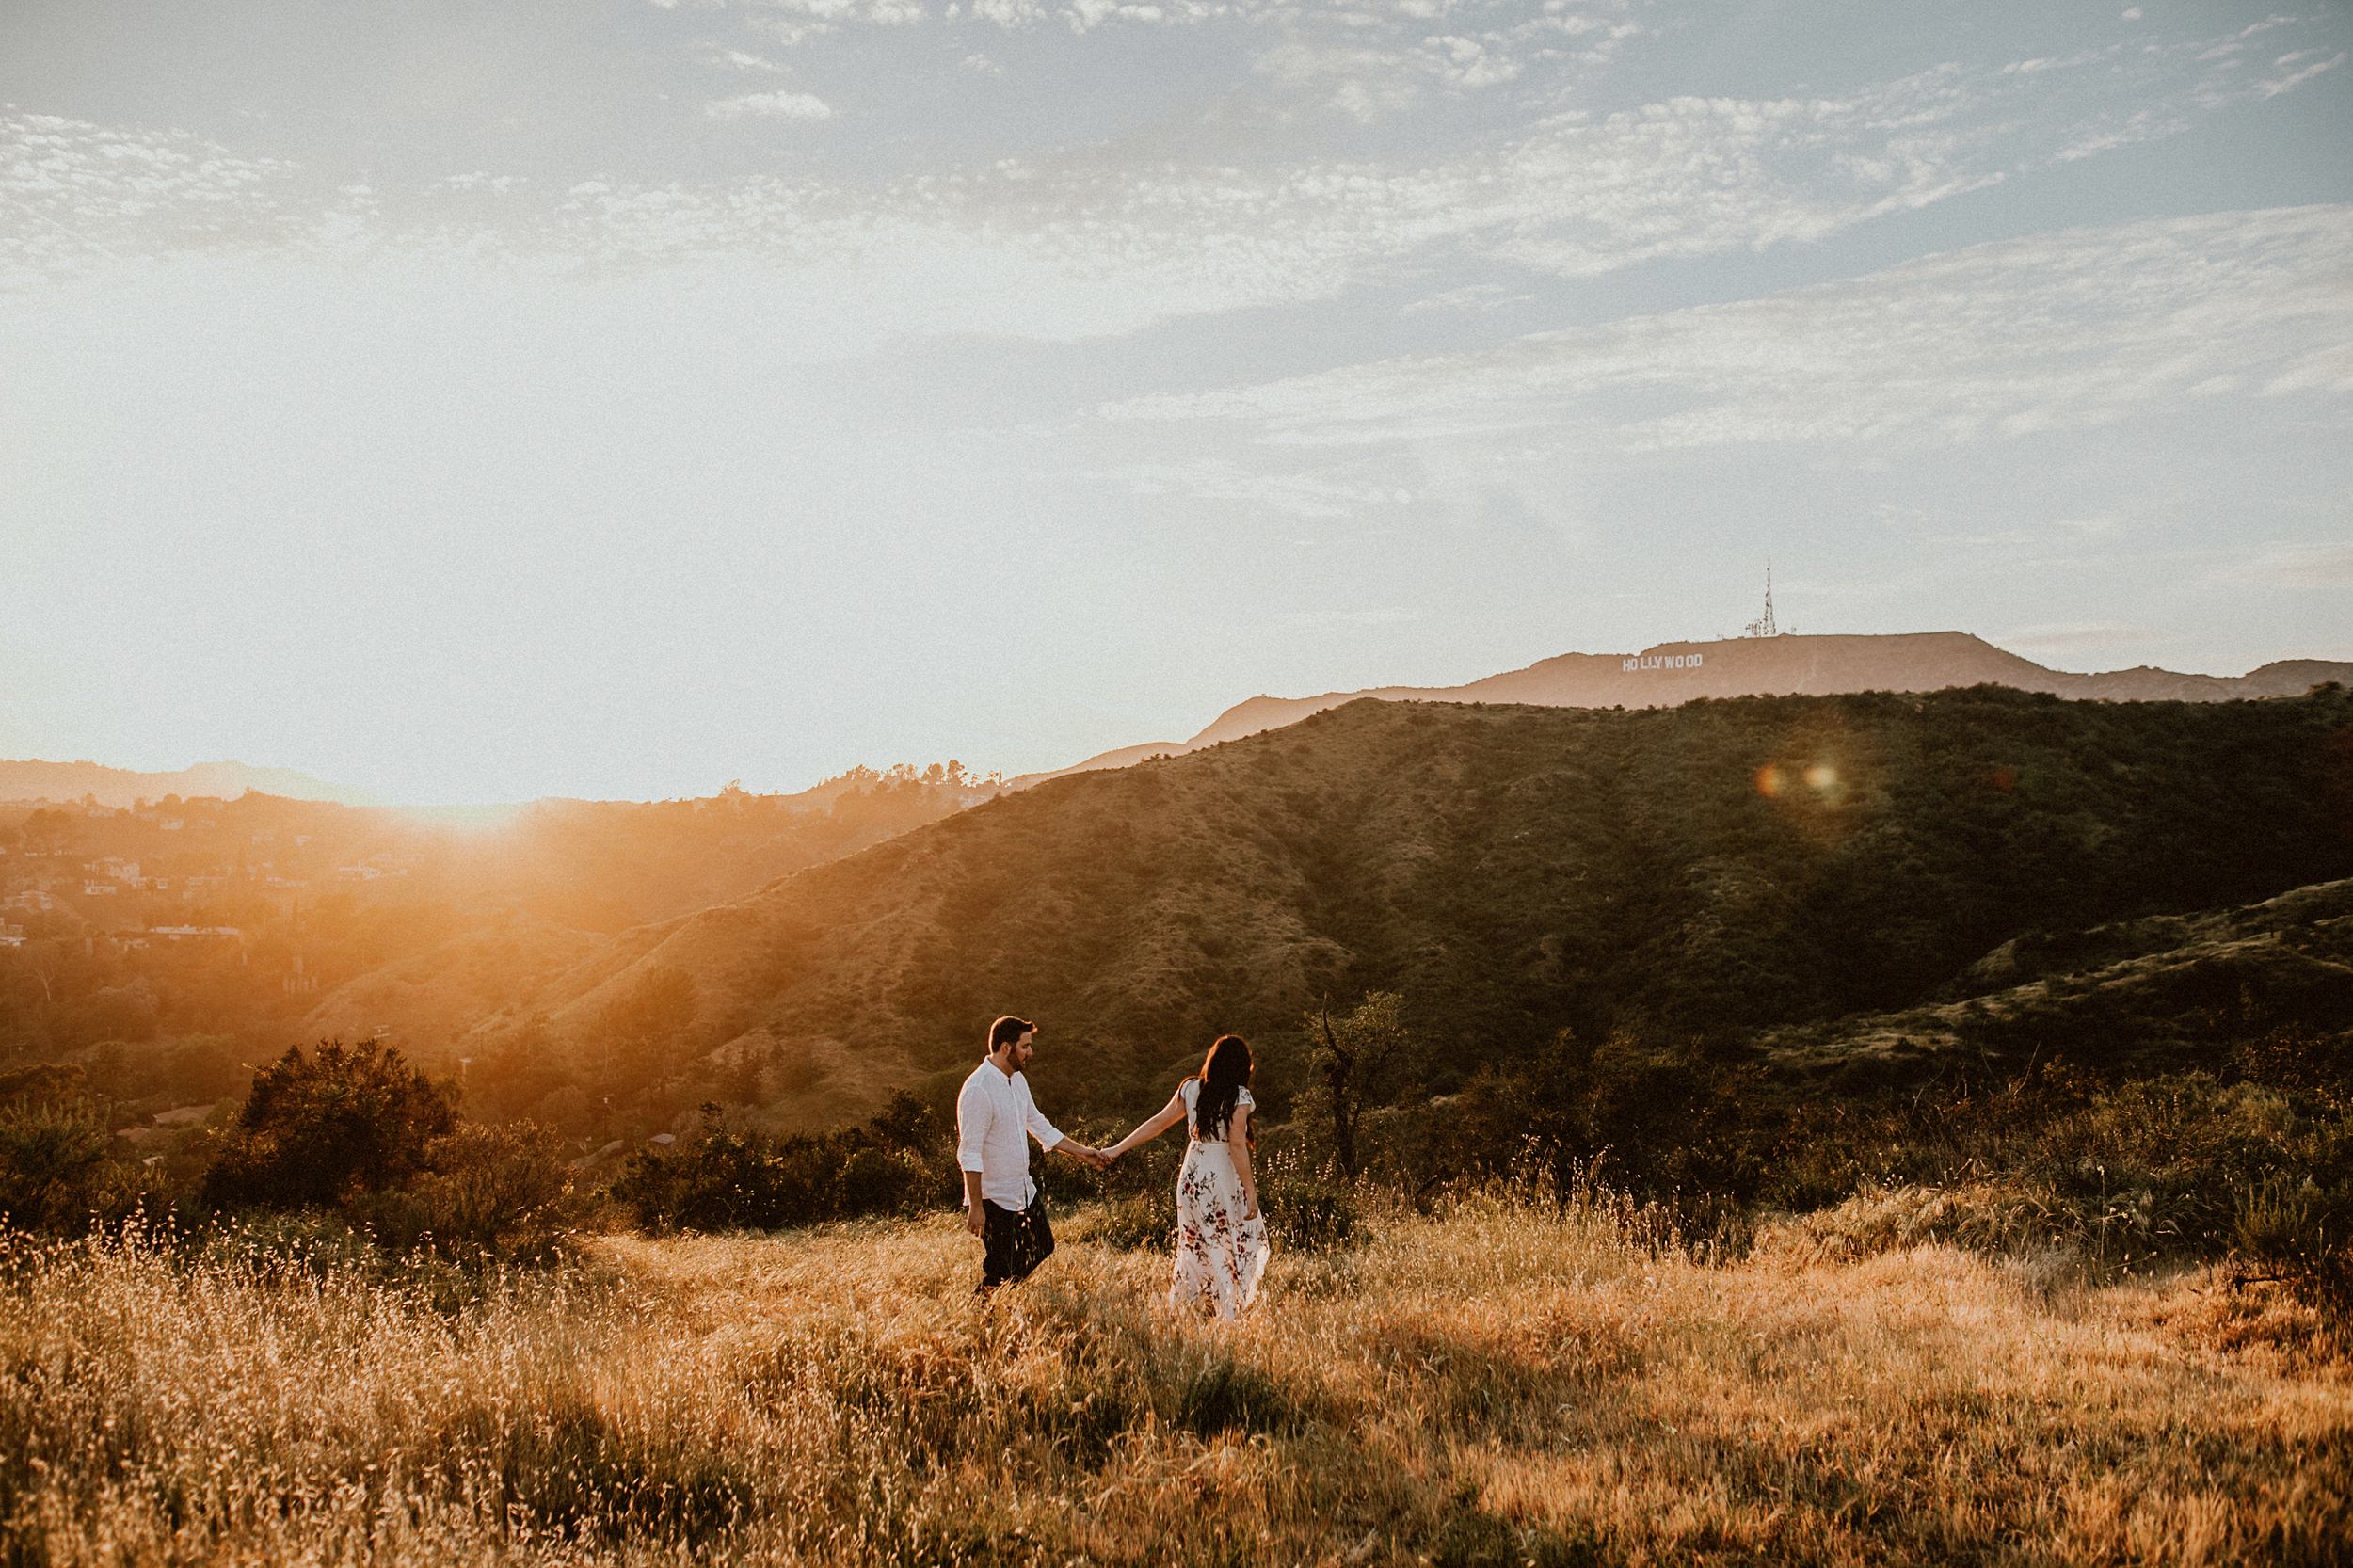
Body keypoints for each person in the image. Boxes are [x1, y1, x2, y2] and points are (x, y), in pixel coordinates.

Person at [1103, 1033, 1270, 1319]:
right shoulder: (1239, 1096)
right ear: (1241, 1067)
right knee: (1229, 1238)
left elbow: (1158, 1123)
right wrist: (1250, 1190)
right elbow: (1238, 1144)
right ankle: (1227, 1310)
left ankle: (1189, 1307)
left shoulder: (1191, 1089)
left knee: (1194, 1242)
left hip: (1192, 1175)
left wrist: (1118, 1149)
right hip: (1220, 1176)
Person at [956, 1015, 1106, 1292]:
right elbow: (970, 1153)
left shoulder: (1018, 1081)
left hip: (1022, 1188)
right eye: (1025, 1046)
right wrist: (976, 1206)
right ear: (1005, 1048)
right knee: (1000, 1267)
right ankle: (984, 1308)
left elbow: (1039, 1125)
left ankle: (1003, 1294)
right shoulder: (978, 1089)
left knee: (1042, 1245)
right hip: (993, 1197)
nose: (1030, 1053)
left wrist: (1083, 1153)